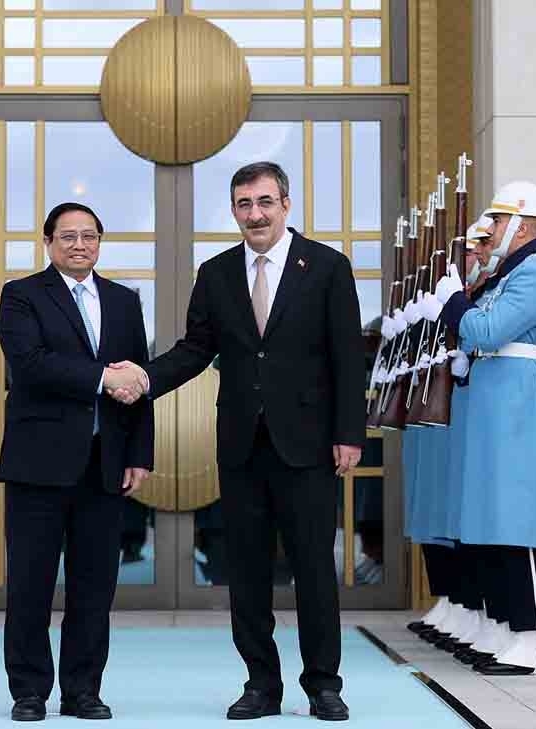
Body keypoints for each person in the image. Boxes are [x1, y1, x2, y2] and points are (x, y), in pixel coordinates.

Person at [111, 162, 363, 721]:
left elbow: (348, 357)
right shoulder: (217, 272)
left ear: (286, 204)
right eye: (244, 204)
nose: (255, 213)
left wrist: (349, 433)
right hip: (242, 447)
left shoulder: (326, 266)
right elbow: (196, 347)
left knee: (314, 570)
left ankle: (323, 684)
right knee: (244, 572)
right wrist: (146, 378)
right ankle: (260, 685)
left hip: (309, 445)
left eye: (265, 202)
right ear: (233, 211)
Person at [0, 202, 154, 722]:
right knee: (30, 585)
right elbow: (31, 365)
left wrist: (138, 455)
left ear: (100, 242)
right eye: (68, 236)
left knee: (94, 588)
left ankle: (83, 690)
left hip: (104, 465)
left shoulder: (125, 302)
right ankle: (29, 690)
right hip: (38, 465)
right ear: (48, 243)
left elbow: (140, 382)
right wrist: (102, 378)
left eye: (89, 236)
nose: (79, 245)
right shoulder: (21, 296)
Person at [432, 181, 536, 677]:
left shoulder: (533, 272)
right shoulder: (509, 275)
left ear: (525, 223)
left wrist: (454, 303)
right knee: (491, 524)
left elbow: (486, 330)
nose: (491, 230)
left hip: (514, 401)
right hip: (493, 397)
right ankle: (510, 630)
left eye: (499, 220)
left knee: (517, 525)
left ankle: (535, 643)